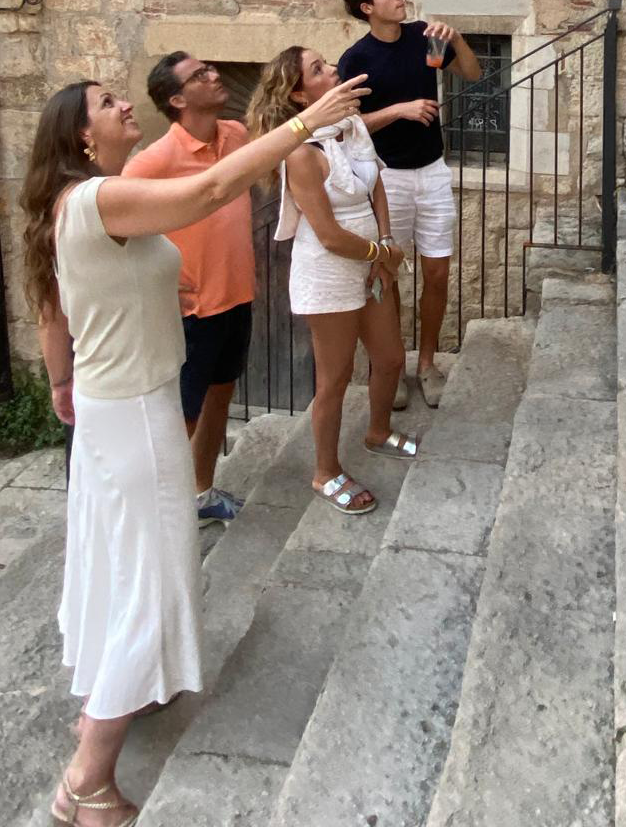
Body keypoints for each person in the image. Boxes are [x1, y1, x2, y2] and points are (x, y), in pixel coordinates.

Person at [21, 72, 367, 826]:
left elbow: (73, 298)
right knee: (150, 578)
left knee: (118, 567)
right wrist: (305, 120)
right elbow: (211, 192)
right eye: (108, 105)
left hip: (116, 409)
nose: (123, 108)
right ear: (83, 137)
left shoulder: (82, 204)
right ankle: (87, 780)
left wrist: (149, 302)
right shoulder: (100, 199)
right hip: (138, 415)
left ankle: (106, 704)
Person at [247, 47, 413, 517]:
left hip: (372, 256)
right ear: (299, 94)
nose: (333, 69)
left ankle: (377, 431)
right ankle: (325, 471)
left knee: (389, 356)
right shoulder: (299, 154)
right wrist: (381, 255)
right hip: (328, 270)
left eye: (327, 63)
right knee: (335, 377)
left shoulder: (353, 124)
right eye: (318, 69)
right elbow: (327, 235)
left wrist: (385, 239)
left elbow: (376, 181)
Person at [336, 0, 482, 408]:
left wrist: (456, 40)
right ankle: (391, 365)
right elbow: (346, 123)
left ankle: (428, 364)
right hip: (387, 178)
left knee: (437, 273)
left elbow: (472, 74)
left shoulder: (424, 36)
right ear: (368, 7)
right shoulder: (356, 59)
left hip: (433, 170)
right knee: (387, 274)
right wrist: (398, 110)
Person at [122, 52, 254, 526]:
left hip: (237, 295)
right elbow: (118, 230)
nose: (216, 74)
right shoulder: (152, 162)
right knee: (182, 414)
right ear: (177, 99)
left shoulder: (237, 135)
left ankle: (201, 493)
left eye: (212, 69)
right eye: (201, 75)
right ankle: (162, 512)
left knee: (221, 395)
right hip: (189, 310)